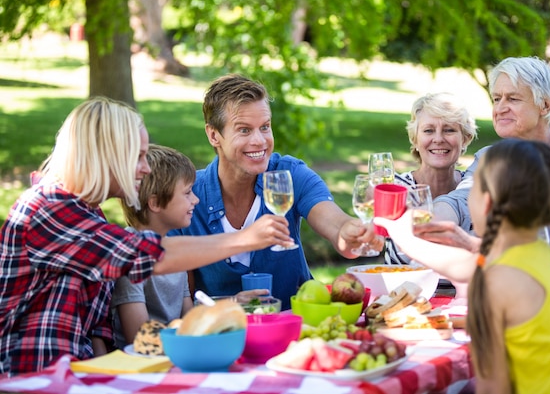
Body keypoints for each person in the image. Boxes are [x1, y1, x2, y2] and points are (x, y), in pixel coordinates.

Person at [0, 97, 294, 377]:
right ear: (107, 155)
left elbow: (98, 322)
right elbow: (145, 255)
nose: (145, 167)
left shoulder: (88, 213)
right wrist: (245, 239)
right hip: (31, 375)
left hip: (74, 372)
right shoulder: (49, 208)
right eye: (138, 156)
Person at [375, 138, 550, 393]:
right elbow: (465, 265)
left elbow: (492, 388)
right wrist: (405, 238)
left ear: (486, 204)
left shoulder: (494, 285)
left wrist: (402, 235)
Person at [169, 74, 382, 310]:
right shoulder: (187, 196)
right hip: (221, 337)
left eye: (265, 127)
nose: (260, 141)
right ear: (213, 135)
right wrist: (230, 306)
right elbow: (180, 307)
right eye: (244, 130)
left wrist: (351, 232)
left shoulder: (292, 175)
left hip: (299, 330)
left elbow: (336, 225)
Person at [434, 56, 550, 254]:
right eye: (496, 99)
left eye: (513, 98)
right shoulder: (488, 158)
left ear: (544, 105)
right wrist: (430, 220)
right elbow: (459, 201)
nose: (500, 108)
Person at [110, 144, 269, 349]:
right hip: (139, 366)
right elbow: (140, 337)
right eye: (187, 193)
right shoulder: (130, 256)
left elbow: (189, 318)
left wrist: (232, 303)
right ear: (155, 203)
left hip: (175, 353)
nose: (196, 200)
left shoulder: (179, 251)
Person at [385, 92, 476, 265]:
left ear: (465, 139)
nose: (439, 139)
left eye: (449, 130)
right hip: (402, 291)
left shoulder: (472, 190)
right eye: (429, 130)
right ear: (415, 139)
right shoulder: (397, 188)